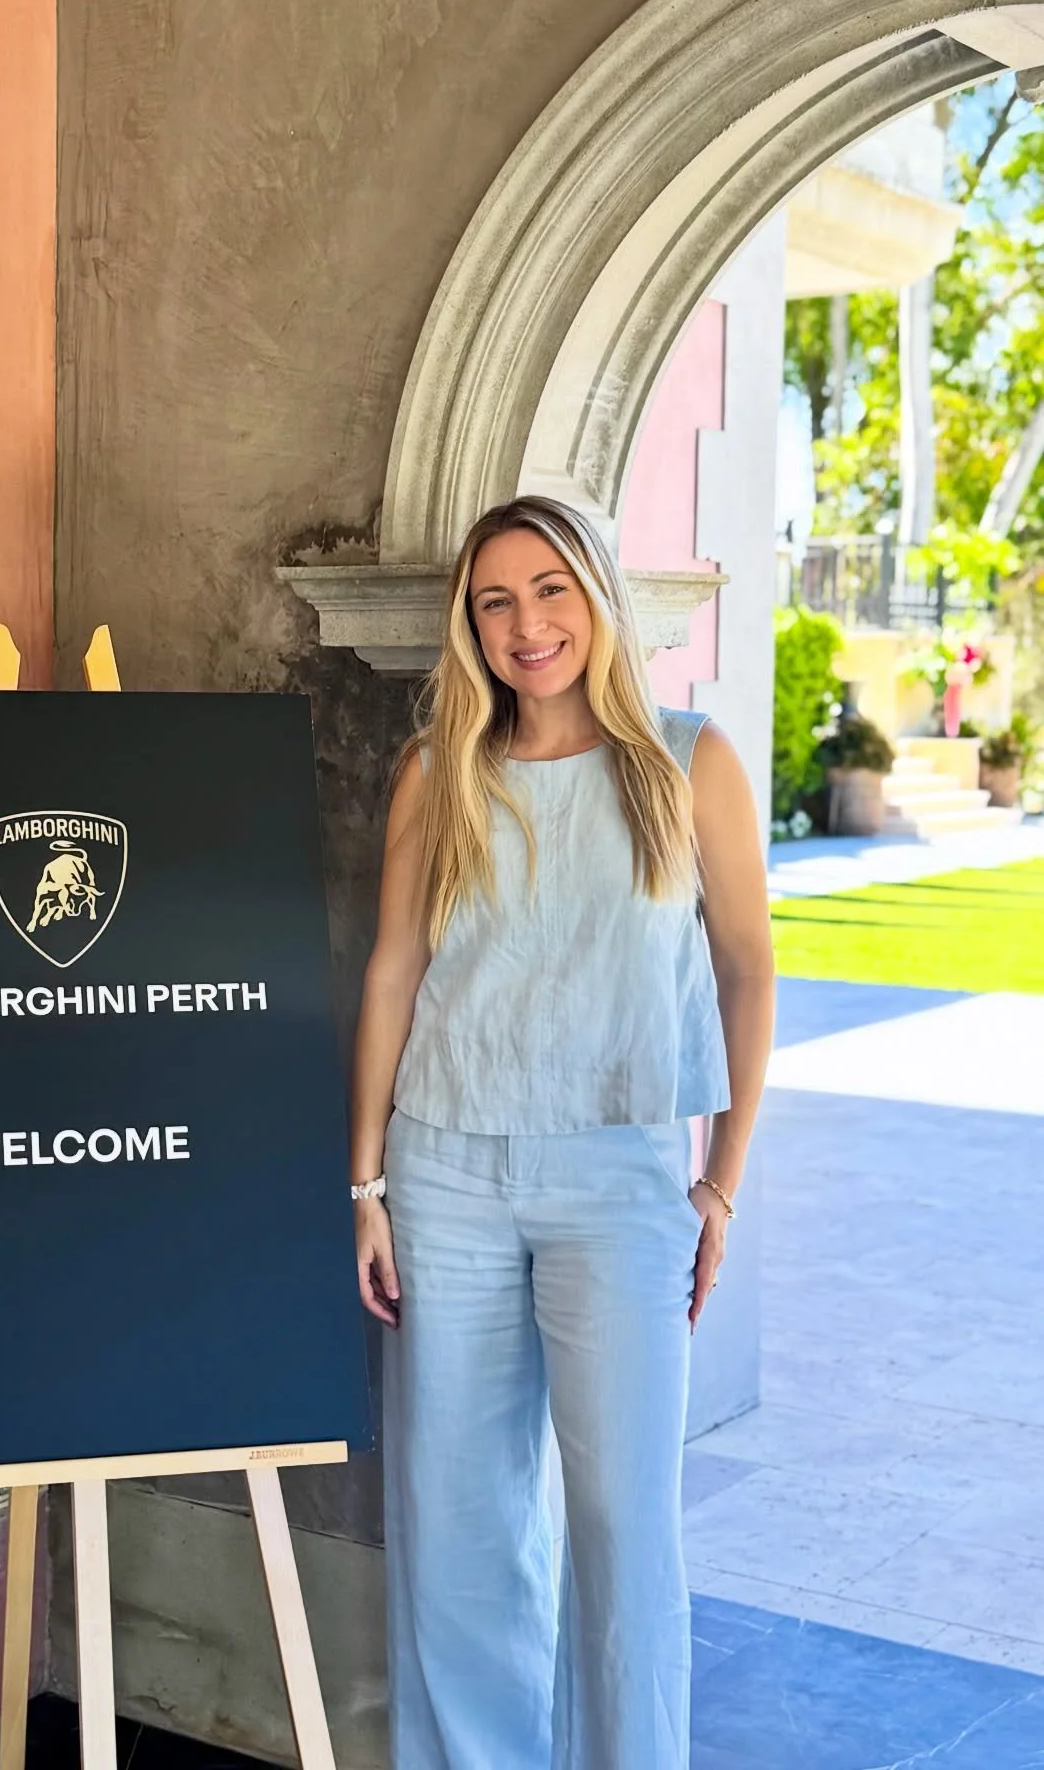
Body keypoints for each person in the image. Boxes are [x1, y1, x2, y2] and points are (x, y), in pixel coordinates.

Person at [350, 496, 774, 1770]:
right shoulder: (438, 771)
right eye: (495, 600)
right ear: (470, 625)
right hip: (445, 1172)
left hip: (621, 1179)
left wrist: (721, 1184)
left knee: (626, 1527)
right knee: (458, 1524)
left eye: (550, 590)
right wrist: (365, 1186)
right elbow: (393, 972)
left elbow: (747, 968)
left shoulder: (687, 763)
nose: (526, 624)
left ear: (597, 597)